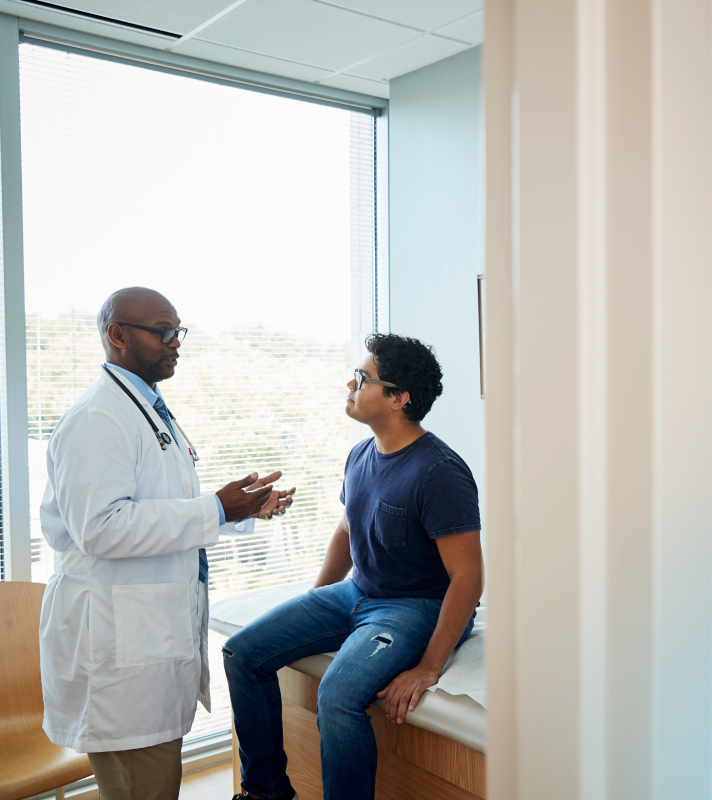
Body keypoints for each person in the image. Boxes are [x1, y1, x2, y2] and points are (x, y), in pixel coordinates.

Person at [38, 287, 296, 800]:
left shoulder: (144, 407)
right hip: (118, 647)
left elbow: (158, 505)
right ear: (116, 335)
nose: (175, 343)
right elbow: (100, 527)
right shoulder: (99, 417)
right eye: (163, 332)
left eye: (178, 331)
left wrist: (239, 513)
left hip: (141, 636)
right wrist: (218, 508)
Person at [224, 332, 483, 800]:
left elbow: (468, 577)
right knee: (242, 654)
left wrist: (428, 666)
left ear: (399, 398)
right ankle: (265, 792)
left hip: (414, 608)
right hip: (357, 595)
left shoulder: (440, 471)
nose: (351, 382)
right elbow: (347, 532)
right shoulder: (361, 454)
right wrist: (316, 597)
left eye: (364, 377)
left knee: (338, 697)